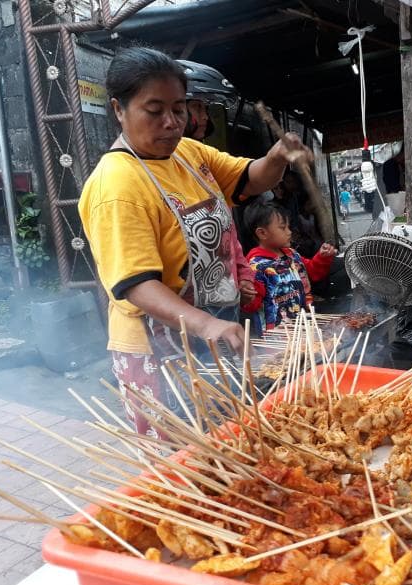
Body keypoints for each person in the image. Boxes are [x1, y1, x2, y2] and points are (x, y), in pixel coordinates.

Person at [79, 47, 313, 438]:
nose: (171, 123)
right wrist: (206, 324)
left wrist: (277, 156)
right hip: (159, 348)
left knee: (231, 444)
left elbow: (248, 180)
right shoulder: (116, 183)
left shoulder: (187, 154)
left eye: (179, 108)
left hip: (211, 333)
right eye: (154, 111)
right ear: (119, 110)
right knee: (186, 464)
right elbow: (135, 284)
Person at [179, 59, 258, 322]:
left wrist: (242, 276)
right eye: (198, 108)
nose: (205, 118)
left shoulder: (199, 155)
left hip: (219, 314)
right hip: (178, 326)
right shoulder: (130, 172)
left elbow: (227, 236)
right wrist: (205, 325)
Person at [242, 199, 336, 331]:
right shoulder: (256, 267)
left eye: (288, 226)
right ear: (262, 233)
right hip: (277, 337)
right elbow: (251, 305)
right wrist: (245, 295)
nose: (289, 232)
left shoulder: (292, 255)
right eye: (282, 228)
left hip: (305, 327)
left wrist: (322, 257)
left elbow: (313, 273)